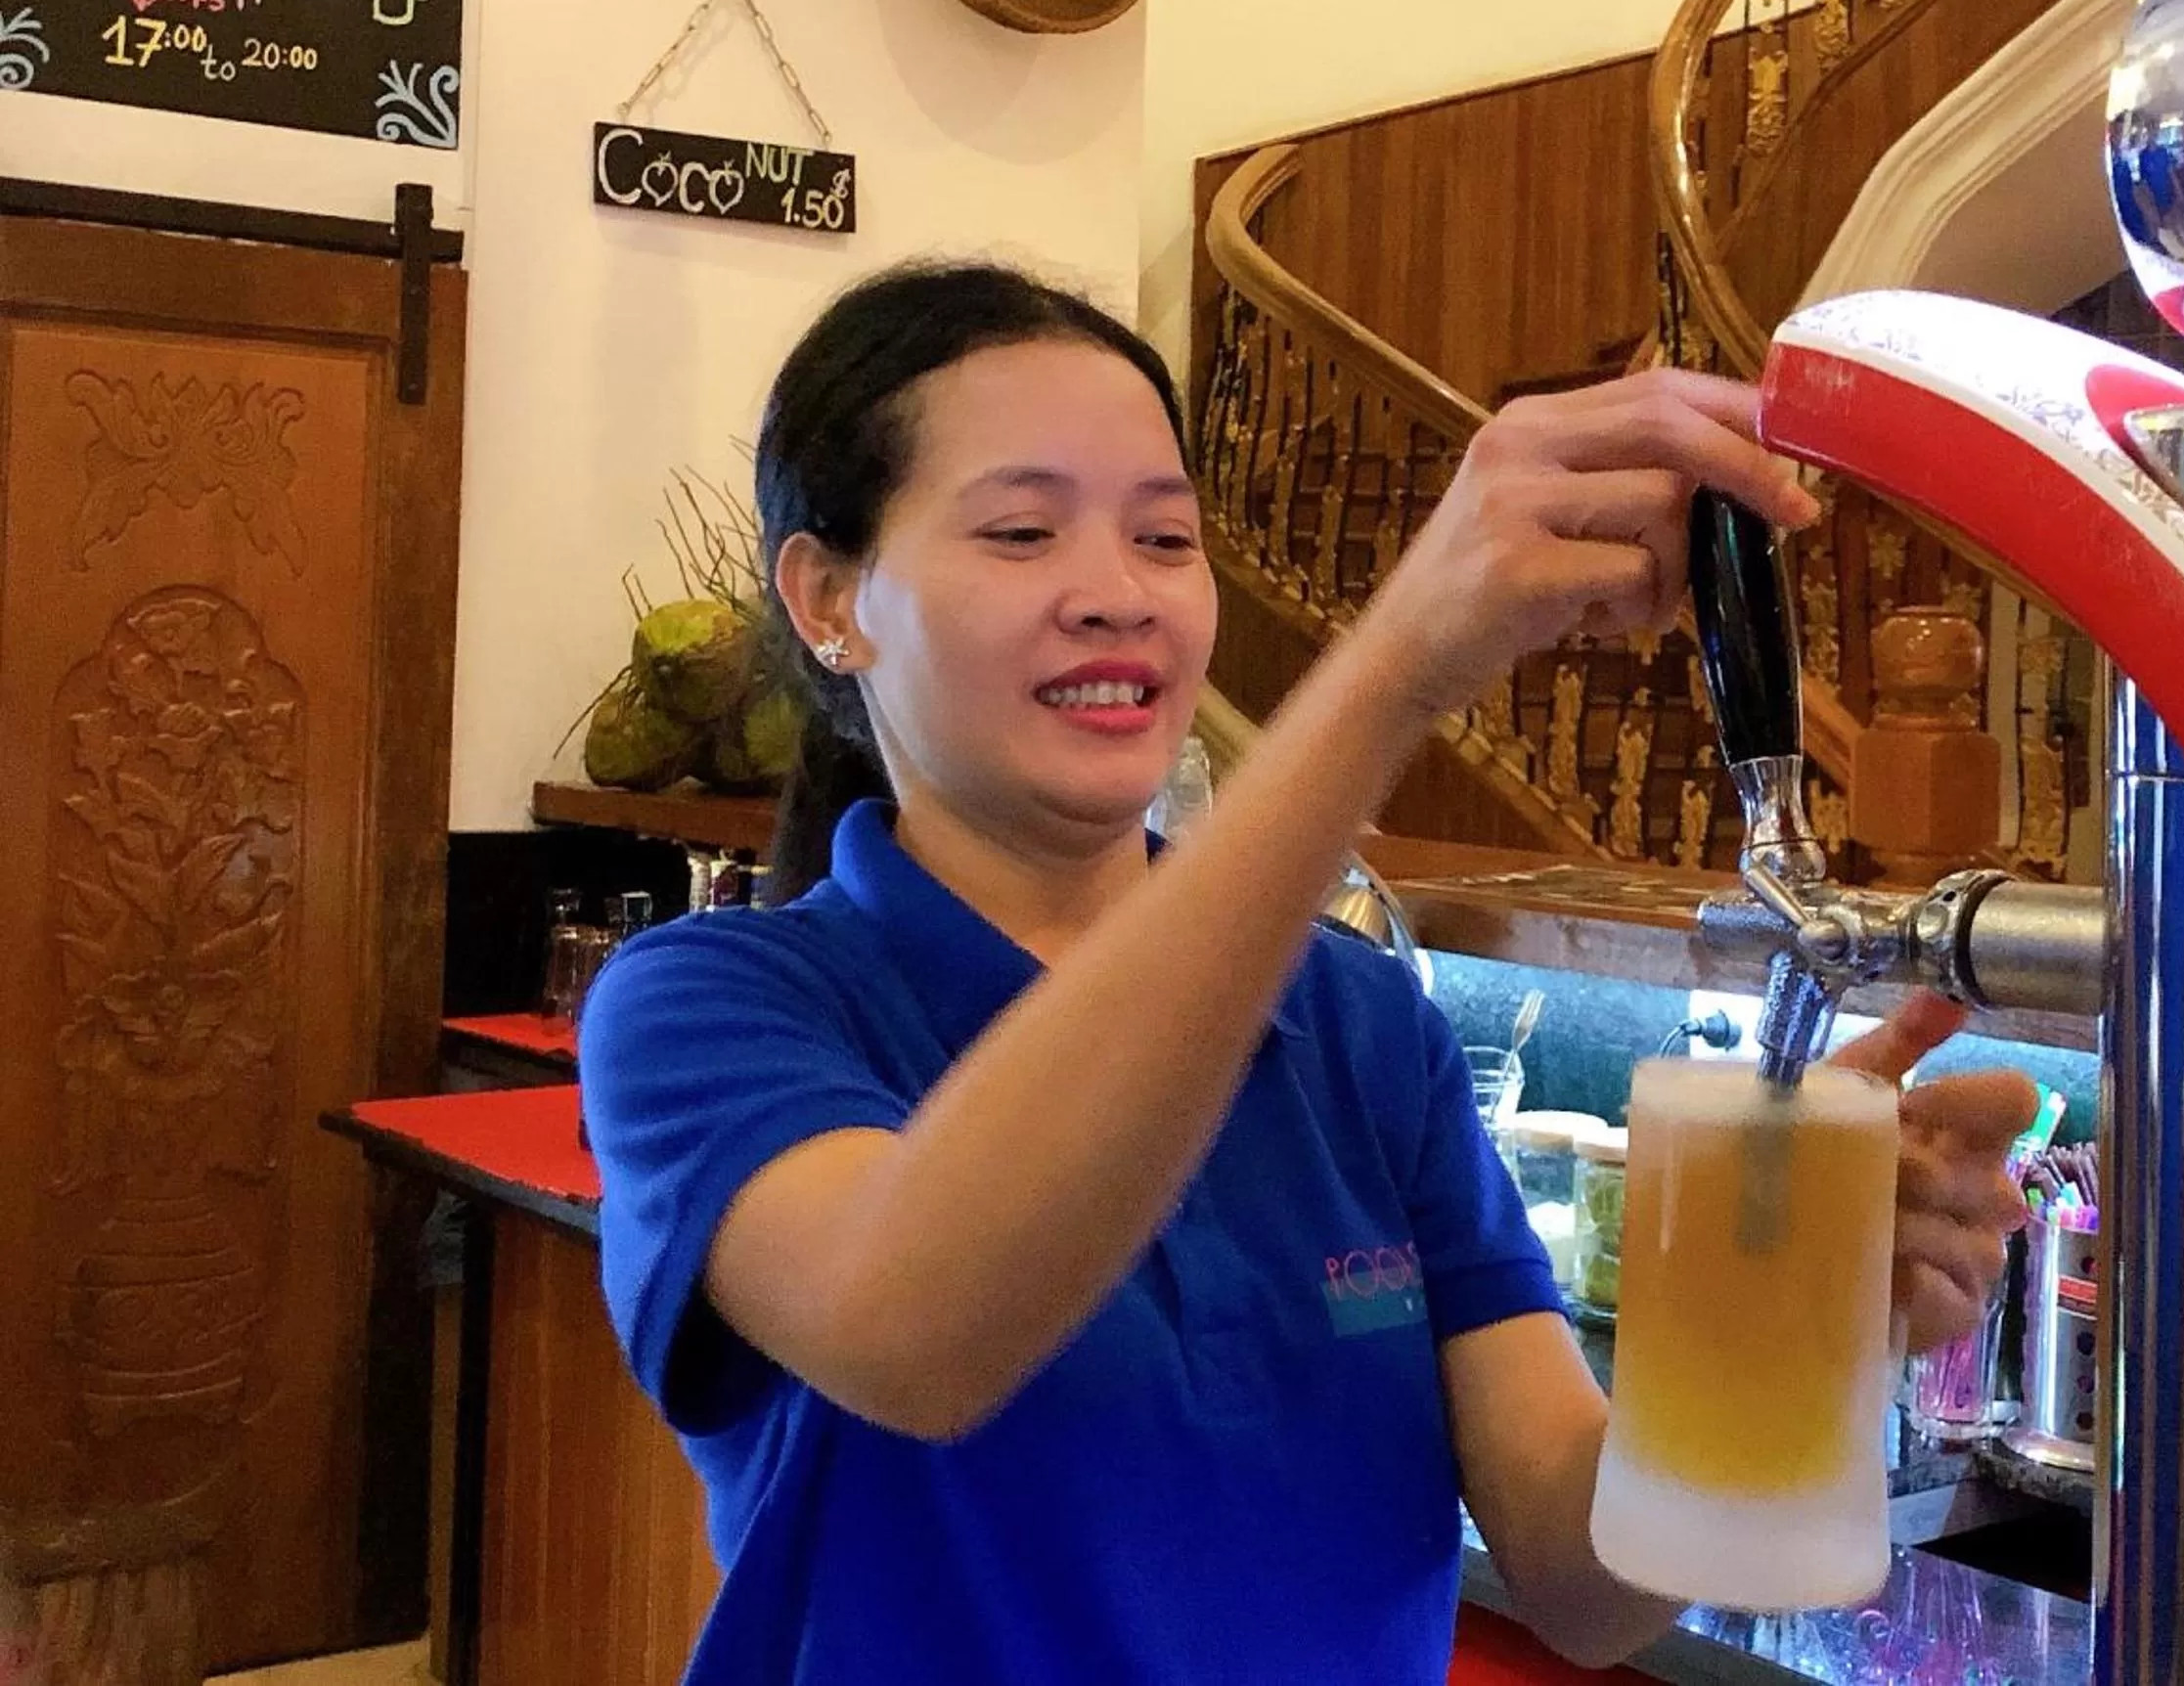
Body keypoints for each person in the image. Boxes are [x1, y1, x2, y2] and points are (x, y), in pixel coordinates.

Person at [580, 261, 2037, 1682]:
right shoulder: (713, 1006)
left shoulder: (1359, 1027)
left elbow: (1580, 1580)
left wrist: (1785, 1303)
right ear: (829, 601)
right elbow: (918, 1326)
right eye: (1022, 533)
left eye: (1164, 538)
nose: (1116, 595)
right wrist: (1395, 665)